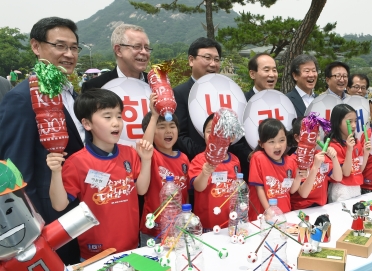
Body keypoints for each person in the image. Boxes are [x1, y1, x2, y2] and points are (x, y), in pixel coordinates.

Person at [0, 17, 85, 264]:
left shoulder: (71, 92)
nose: (69, 54)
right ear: (36, 47)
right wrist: (35, 229)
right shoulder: (21, 99)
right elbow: (17, 173)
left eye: (74, 47)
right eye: (60, 46)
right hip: (50, 219)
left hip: (80, 209)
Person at [46, 89, 154, 259]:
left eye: (119, 116)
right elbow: (59, 205)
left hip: (132, 246)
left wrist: (146, 160)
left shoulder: (130, 154)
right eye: (107, 116)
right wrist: (56, 172)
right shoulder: (77, 162)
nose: (116, 123)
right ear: (87, 124)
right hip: (95, 254)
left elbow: (141, 190)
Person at [139, 93, 190, 245]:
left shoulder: (184, 159)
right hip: (153, 230)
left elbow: (185, 194)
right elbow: (145, 146)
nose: (168, 131)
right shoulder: (151, 156)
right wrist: (154, 116)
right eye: (161, 127)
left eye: (172, 126)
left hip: (178, 229)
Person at [189, 114, 241, 231]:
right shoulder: (199, 160)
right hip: (206, 225)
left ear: (231, 137)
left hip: (231, 223)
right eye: (210, 131)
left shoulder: (235, 161)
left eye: (221, 132)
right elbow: (198, 187)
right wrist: (205, 173)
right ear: (204, 136)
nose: (215, 136)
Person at [173, 37, 221, 161]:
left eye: (216, 59)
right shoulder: (179, 93)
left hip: (226, 163)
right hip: (194, 164)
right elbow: (179, 135)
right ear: (191, 60)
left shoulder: (225, 92)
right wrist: (208, 153)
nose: (213, 64)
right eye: (207, 58)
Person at [248, 119, 306, 221]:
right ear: (261, 144)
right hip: (264, 216)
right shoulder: (258, 158)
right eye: (271, 142)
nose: (278, 146)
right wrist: (269, 211)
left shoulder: (290, 161)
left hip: (285, 214)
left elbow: (292, 190)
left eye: (282, 140)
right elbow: (259, 189)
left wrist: (298, 177)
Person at [289, 117, 343, 210]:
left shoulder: (319, 154)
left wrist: (334, 158)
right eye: (310, 135)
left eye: (317, 134)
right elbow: (304, 194)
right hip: (301, 210)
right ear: (297, 138)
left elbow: (338, 177)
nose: (315, 139)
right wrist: (315, 167)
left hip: (321, 207)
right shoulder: (292, 161)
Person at [82, 24, 151, 91]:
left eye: (147, 48)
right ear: (118, 50)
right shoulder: (95, 87)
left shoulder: (156, 84)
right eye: (137, 46)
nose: (144, 52)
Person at [327, 104, 371, 202]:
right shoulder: (334, 145)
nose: (354, 125)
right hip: (342, 189)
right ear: (338, 123)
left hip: (356, 187)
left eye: (355, 121)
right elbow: (346, 173)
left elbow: (359, 169)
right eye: (349, 122)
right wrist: (349, 150)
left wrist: (366, 153)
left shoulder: (357, 142)